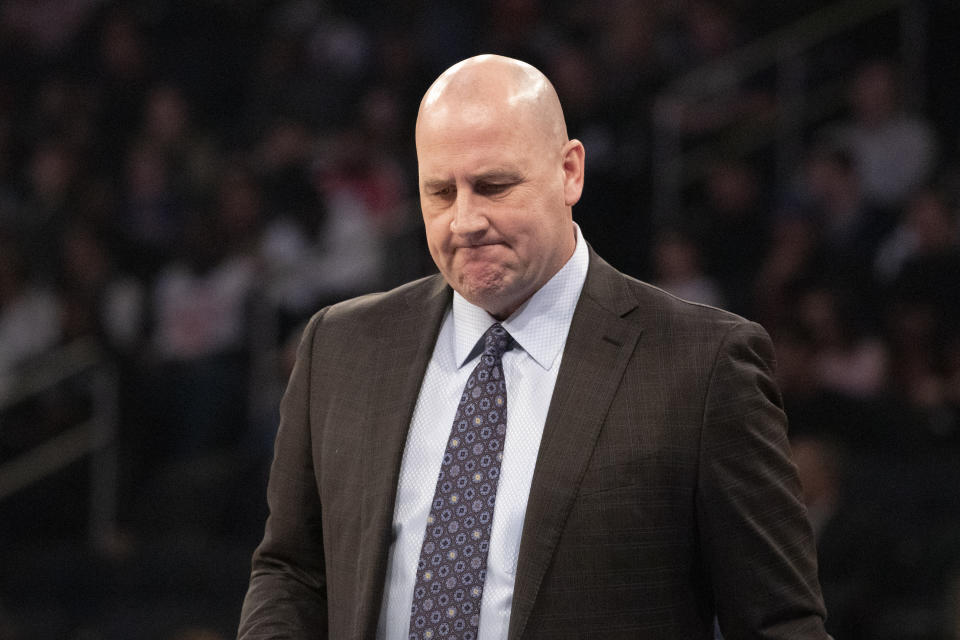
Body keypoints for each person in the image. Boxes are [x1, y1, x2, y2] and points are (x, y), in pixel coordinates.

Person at [238, 54, 830, 639]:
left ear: (570, 171)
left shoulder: (703, 365)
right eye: (440, 192)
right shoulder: (340, 348)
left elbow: (780, 623)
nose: (465, 221)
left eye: (493, 186)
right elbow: (291, 572)